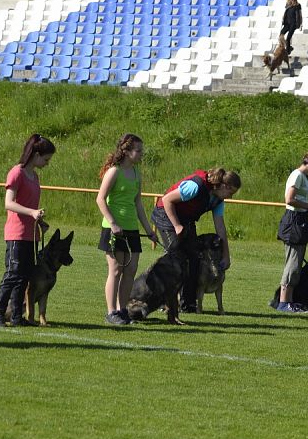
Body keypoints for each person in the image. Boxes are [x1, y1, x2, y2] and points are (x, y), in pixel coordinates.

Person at [150, 168, 241, 313]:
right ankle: (163, 300)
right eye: (231, 193)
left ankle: (188, 305)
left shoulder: (218, 200)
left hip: (185, 218)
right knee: (176, 258)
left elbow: (220, 228)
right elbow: (167, 200)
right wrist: (177, 225)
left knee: (194, 258)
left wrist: (226, 255)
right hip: (166, 214)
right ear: (224, 186)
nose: (230, 197)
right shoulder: (196, 186)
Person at [0, 134, 55, 327]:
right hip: (16, 234)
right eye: (46, 159)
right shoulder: (16, 173)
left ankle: (18, 317)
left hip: (30, 234)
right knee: (13, 274)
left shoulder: (34, 176)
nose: (46, 163)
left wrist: (40, 221)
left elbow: (29, 206)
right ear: (36, 154)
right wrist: (32, 212)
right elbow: (9, 203)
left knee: (25, 277)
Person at [96, 134, 158, 326]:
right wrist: (113, 223)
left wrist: (149, 230)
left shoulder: (136, 173)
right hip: (114, 229)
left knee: (130, 270)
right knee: (115, 270)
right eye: (138, 151)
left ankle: (123, 311)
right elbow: (100, 199)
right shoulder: (114, 172)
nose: (141, 154)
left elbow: (138, 203)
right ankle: (111, 312)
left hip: (131, 229)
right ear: (127, 151)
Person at [275, 149, 308, 313]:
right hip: (294, 220)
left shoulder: (304, 176)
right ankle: (284, 302)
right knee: (293, 263)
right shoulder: (297, 175)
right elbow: (289, 199)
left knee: (296, 264)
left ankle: (289, 300)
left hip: (301, 220)